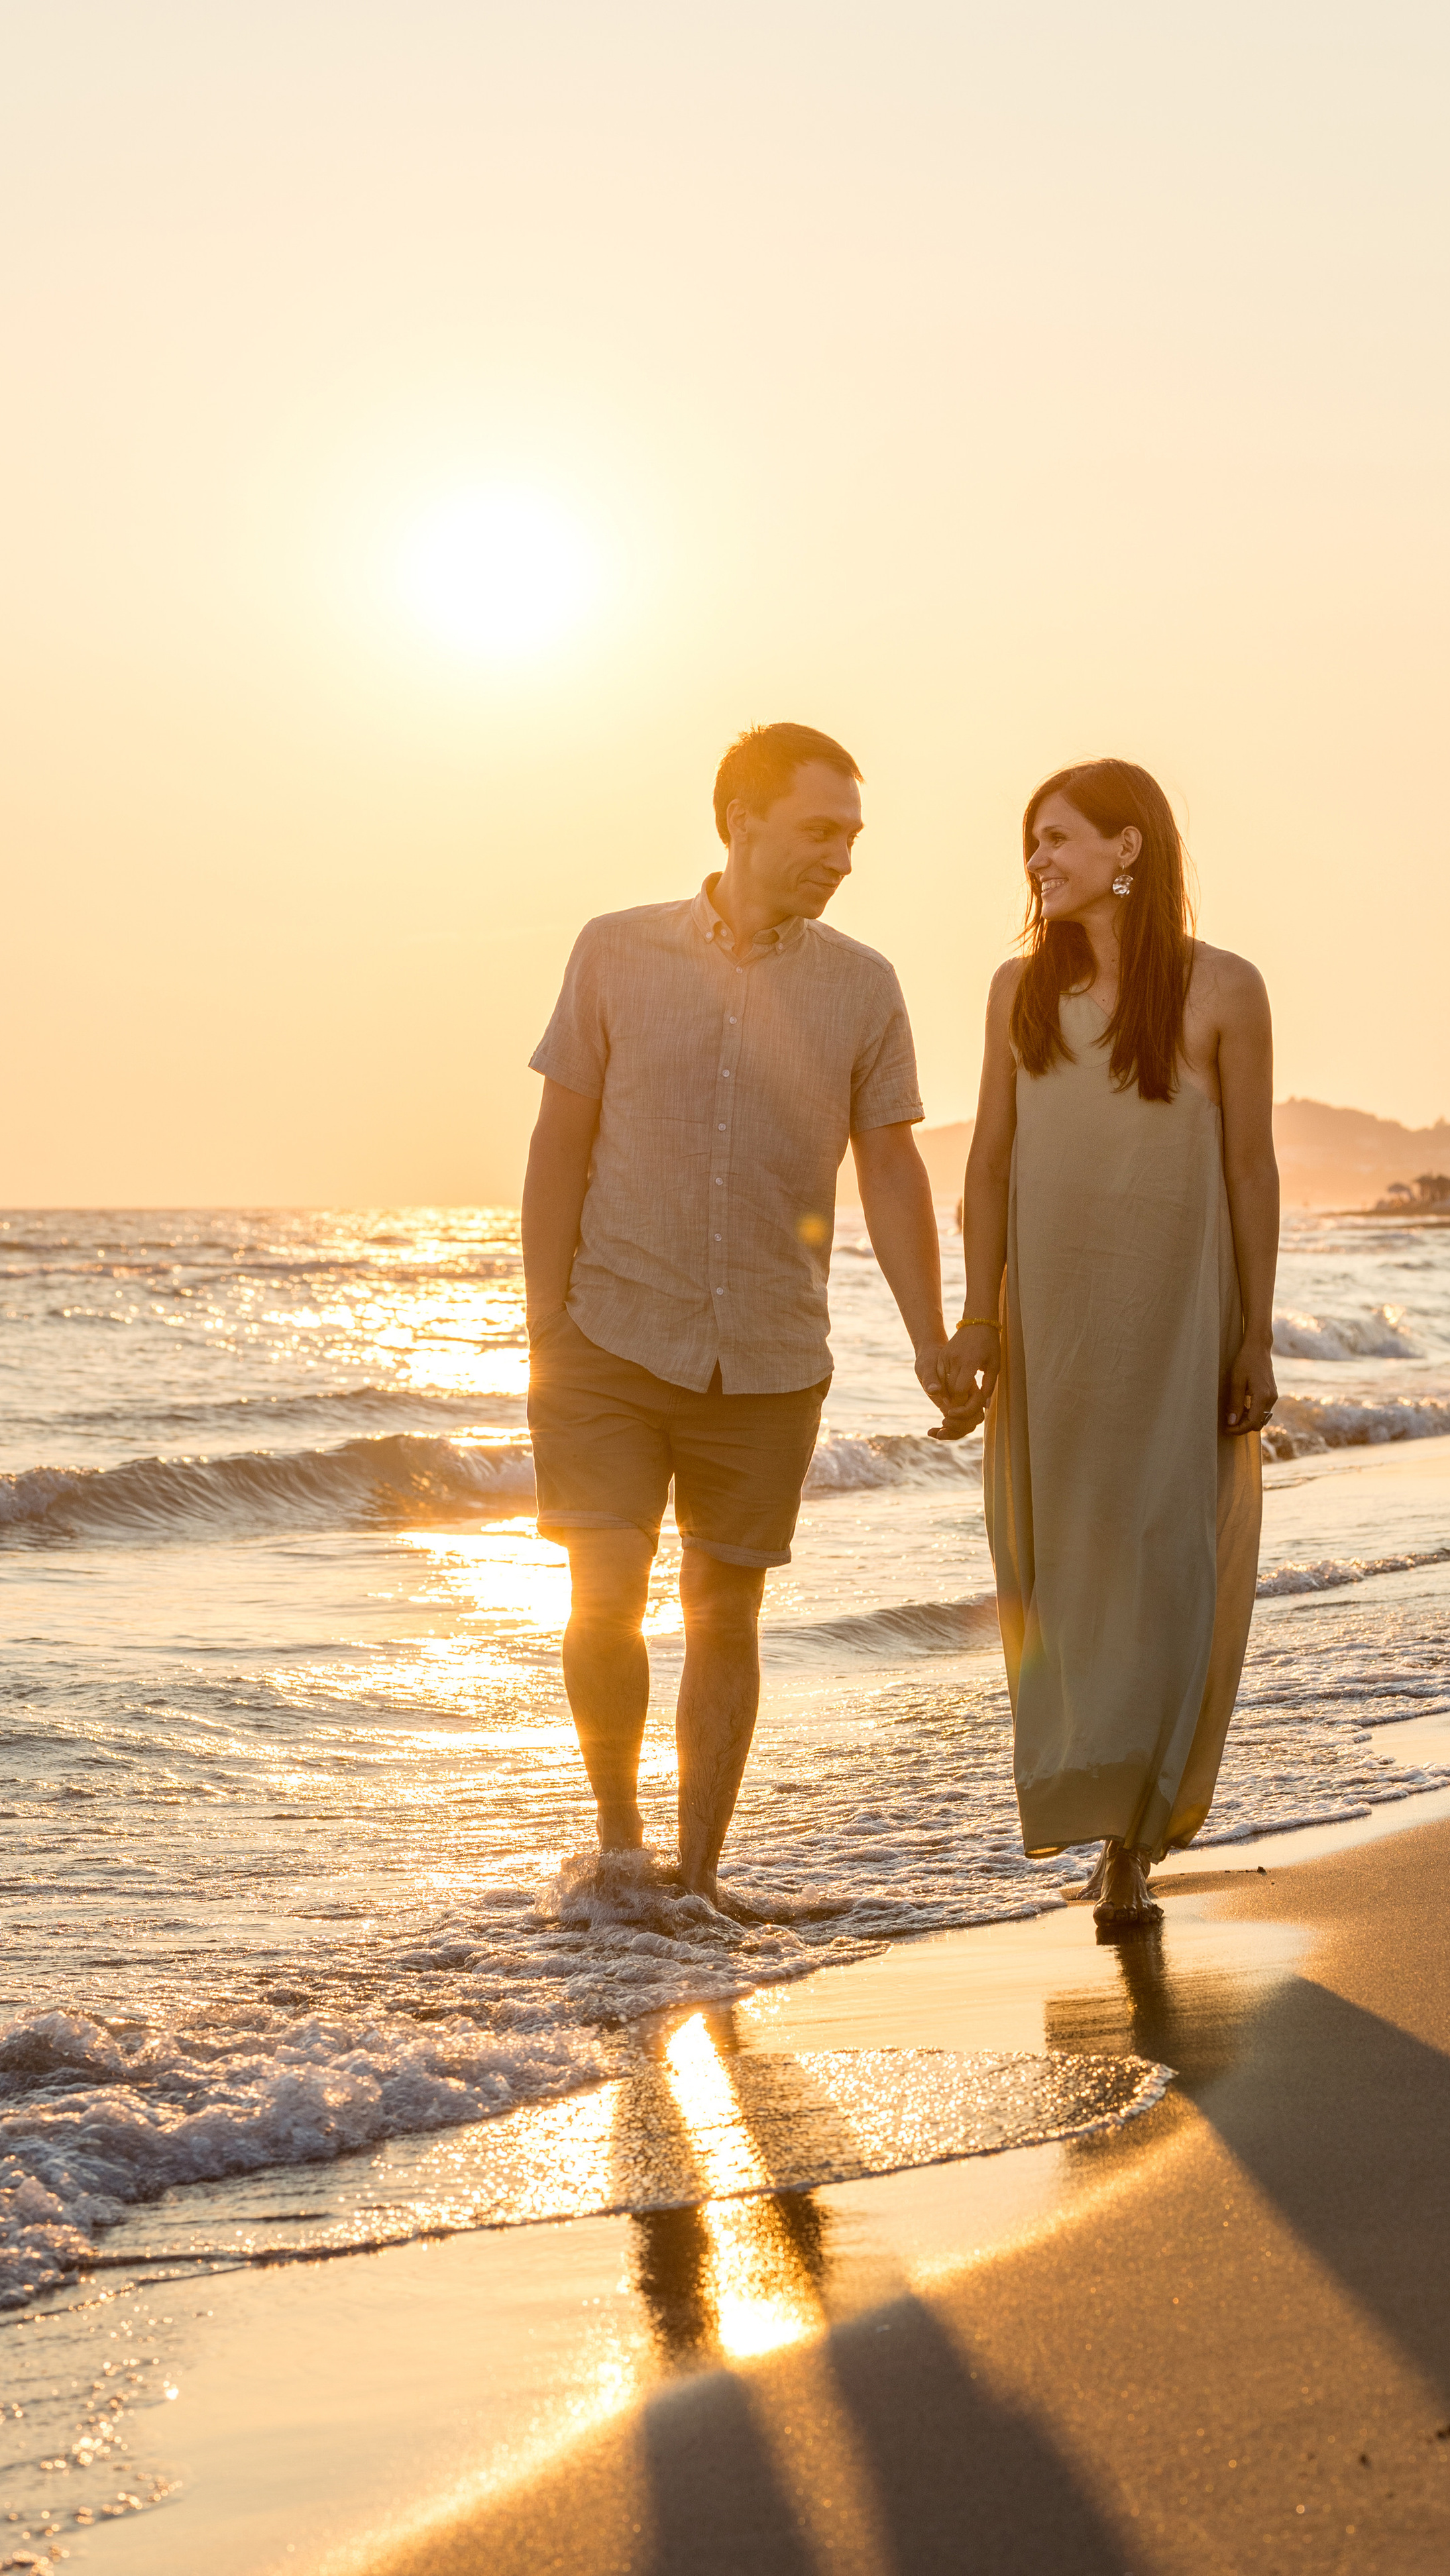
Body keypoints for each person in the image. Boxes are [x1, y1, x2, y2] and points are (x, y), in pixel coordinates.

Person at [522, 722, 951, 1911]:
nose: (844, 858)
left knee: (727, 1612)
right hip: (607, 1337)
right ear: (740, 818)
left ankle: (700, 1881)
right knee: (601, 1596)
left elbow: (893, 1172)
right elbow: (559, 1141)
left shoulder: (863, 987)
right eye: (823, 830)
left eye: (855, 836)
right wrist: (544, 1321)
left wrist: (931, 1337)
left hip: (768, 1354)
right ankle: (621, 1856)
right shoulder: (614, 952)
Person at [940, 759, 1278, 1931]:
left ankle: (1136, 1839)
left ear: (1128, 849)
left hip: (1179, 1315)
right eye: (1032, 843)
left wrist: (1257, 1333)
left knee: (1167, 1560)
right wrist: (977, 1319)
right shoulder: (1018, 989)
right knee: (1061, 1568)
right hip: (1055, 1327)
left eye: (1062, 838)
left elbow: (1250, 1170)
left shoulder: (1224, 989)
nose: (1039, 860)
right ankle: (1098, 1821)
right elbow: (985, 1162)